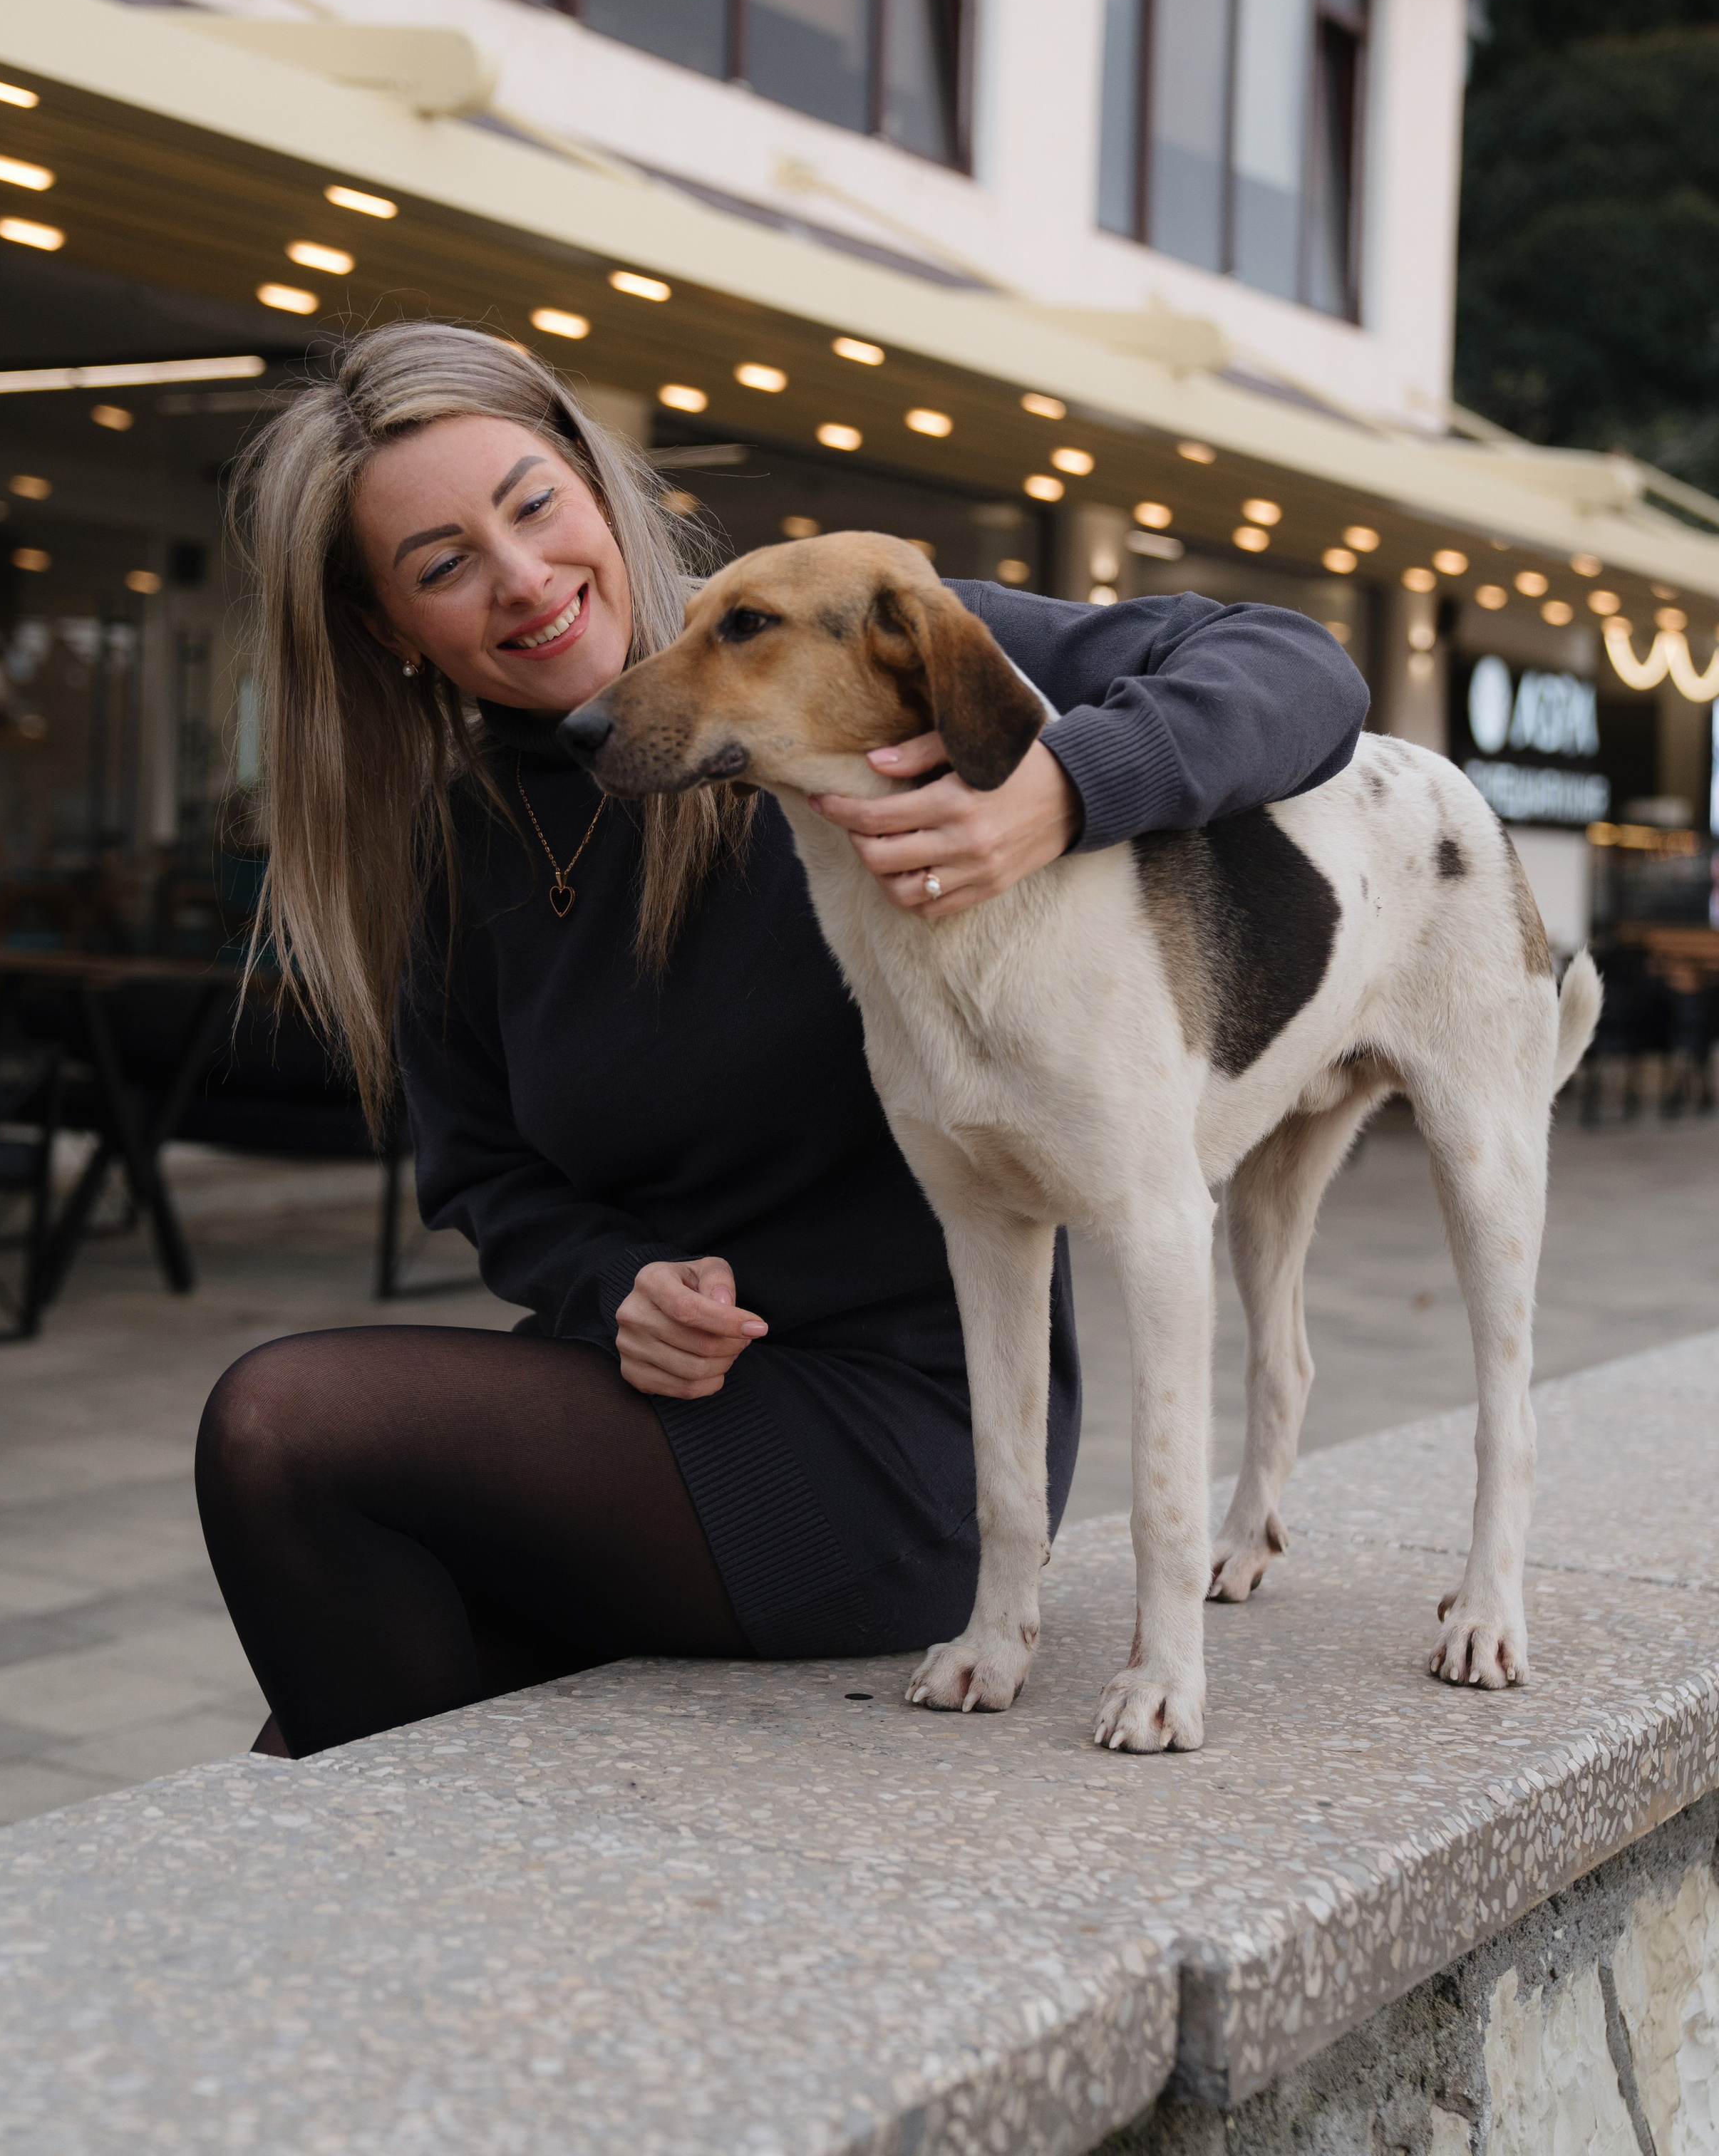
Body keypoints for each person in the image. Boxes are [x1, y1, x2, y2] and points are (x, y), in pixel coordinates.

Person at [195, 323, 1368, 1758]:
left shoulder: (840, 636)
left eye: (533, 504)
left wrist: (1067, 785)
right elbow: (487, 1178)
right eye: (442, 565)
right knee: (330, 1709)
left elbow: (1299, 669)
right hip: (647, 1409)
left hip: (897, 1438)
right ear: (389, 630)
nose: (522, 578)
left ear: (594, 484)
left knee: (283, 1427)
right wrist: (614, 1284)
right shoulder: (457, 848)